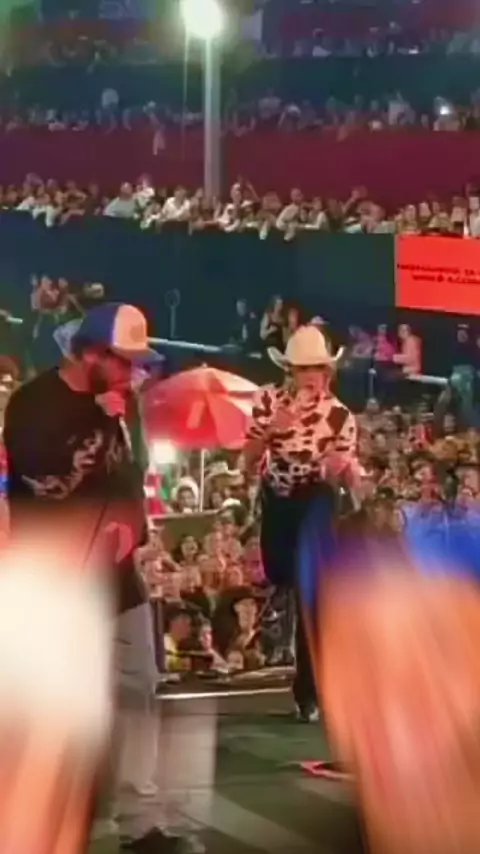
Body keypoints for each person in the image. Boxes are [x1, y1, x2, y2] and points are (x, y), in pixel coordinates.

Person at [3, 302, 189, 853]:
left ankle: (139, 820)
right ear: (90, 354)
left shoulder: (122, 404)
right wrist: (97, 421)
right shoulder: (33, 402)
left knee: (139, 686)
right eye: (123, 361)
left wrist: (134, 527)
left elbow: (132, 474)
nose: (134, 372)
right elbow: (44, 480)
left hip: (114, 574)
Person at [243, 324, 361, 721]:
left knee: (312, 592)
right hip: (277, 496)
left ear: (328, 371)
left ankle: (310, 692)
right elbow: (246, 460)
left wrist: (339, 469)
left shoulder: (340, 416)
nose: (311, 376)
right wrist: (270, 431)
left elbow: (340, 468)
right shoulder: (266, 400)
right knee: (279, 571)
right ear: (289, 371)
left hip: (316, 497)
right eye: (303, 368)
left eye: (317, 368)